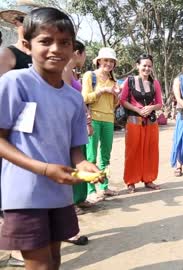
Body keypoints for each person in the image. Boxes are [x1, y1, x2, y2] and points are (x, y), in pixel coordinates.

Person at [0, 7, 103, 269]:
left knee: (54, 261)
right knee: (40, 265)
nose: (56, 49)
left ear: (73, 48)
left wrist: (83, 166)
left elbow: (75, 149)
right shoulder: (15, 83)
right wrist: (44, 169)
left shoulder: (72, 98)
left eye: (64, 42)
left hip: (59, 194)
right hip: (24, 194)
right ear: (27, 44)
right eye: (45, 41)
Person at [0, 3, 38, 266]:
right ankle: (13, 248)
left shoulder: (41, 55)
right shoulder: (9, 54)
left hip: (35, 131)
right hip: (11, 132)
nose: (26, 24)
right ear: (16, 24)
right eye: (22, 20)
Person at [61, 40, 91, 246]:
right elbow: (63, 102)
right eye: (84, 54)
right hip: (66, 128)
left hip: (76, 126)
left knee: (76, 166)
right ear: (77, 53)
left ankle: (68, 223)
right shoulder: (64, 71)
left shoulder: (71, 73)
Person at [120, 54, 163, 193]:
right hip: (133, 120)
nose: (147, 68)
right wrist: (137, 109)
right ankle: (131, 181)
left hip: (150, 121)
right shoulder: (129, 81)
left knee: (151, 150)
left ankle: (149, 179)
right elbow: (123, 100)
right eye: (144, 65)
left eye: (149, 66)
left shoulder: (154, 83)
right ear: (137, 66)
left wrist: (151, 108)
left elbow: (159, 103)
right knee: (133, 150)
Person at [82, 47, 120, 202]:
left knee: (106, 156)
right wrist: (103, 90)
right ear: (98, 61)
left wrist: (116, 94)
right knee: (91, 156)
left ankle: (104, 187)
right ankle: (90, 190)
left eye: (111, 61)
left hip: (109, 120)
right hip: (93, 119)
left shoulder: (114, 81)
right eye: (106, 60)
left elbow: (114, 104)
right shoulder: (90, 76)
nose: (108, 64)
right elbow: (84, 98)